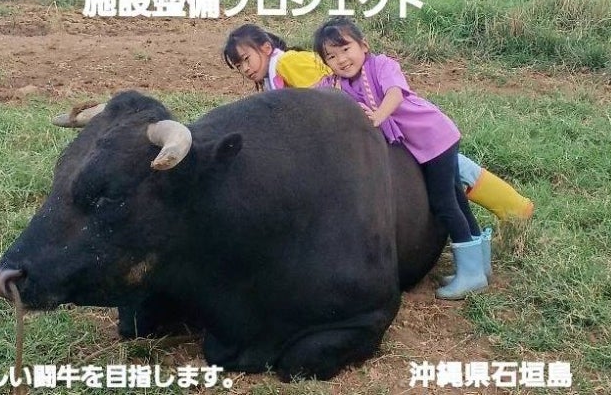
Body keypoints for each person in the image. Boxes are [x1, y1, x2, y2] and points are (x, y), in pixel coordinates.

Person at [222, 23, 534, 224]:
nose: (244, 69)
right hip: (369, 116)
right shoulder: (272, 76)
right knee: (439, 164)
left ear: (266, 48)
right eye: (238, 66)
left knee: (445, 162)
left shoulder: (288, 62)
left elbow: (321, 97)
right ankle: (510, 208)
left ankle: (514, 208)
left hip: (379, 114)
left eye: (246, 59)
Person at [311, 16, 489, 299]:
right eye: (331, 56)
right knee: (456, 197)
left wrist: (378, 116)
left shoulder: (382, 65)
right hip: (416, 147)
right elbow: (310, 97)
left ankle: (471, 273)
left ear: (364, 46)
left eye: (345, 49)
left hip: (434, 138)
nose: (341, 60)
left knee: (444, 202)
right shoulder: (335, 85)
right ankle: (480, 263)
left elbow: (394, 93)